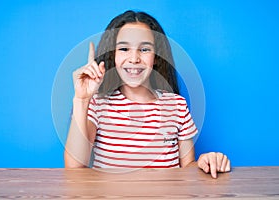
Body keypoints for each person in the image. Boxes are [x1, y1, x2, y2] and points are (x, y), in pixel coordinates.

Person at [64, 10, 230, 178]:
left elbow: (188, 166)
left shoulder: (177, 105)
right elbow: (74, 167)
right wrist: (81, 99)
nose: (134, 58)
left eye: (144, 49)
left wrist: (204, 162)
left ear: (156, 57)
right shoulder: (98, 104)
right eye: (124, 48)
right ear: (113, 55)